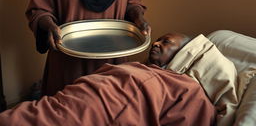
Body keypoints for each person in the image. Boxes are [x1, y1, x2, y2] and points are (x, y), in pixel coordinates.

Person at [0, 34, 216, 126]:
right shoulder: (133, 66)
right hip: (68, 103)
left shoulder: (186, 88)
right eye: (158, 39)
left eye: (166, 42)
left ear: (185, 53)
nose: (156, 43)